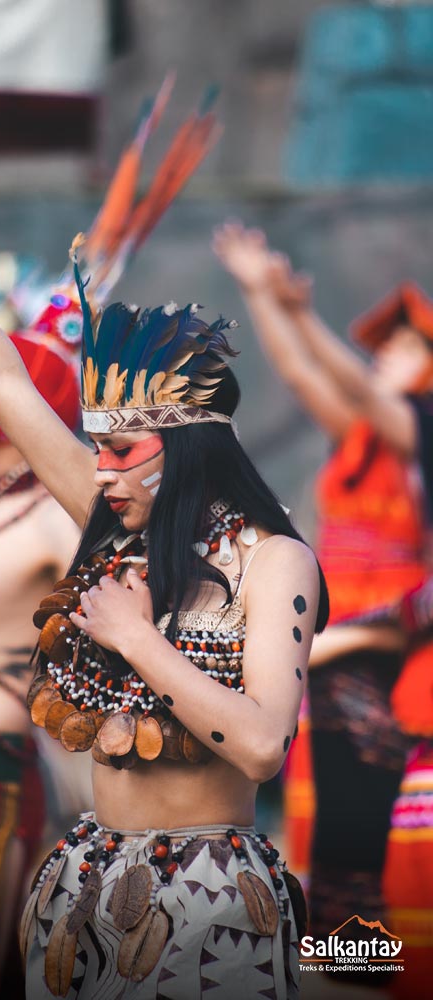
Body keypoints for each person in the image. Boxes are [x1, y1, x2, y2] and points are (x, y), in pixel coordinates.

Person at [0, 90, 328, 999]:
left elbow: (260, 746)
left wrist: (139, 641)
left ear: (187, 441)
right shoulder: (108, 524)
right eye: (93, 447)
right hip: (87, 886)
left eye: (123, 449)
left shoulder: (274, 562)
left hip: (214, 898)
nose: (99, 469)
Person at [213, 225, 433, 957]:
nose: (388, 358)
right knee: (335, 815)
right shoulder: (365, 440)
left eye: (409, 348)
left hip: (382, 637)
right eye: (388, 347)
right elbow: (308, 380)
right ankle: (350, 960)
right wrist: (259, 296)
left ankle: (375, 960)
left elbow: (362, 387)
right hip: (335, 644)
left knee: (368, 812)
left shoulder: (411, 433)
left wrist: (299, 309)